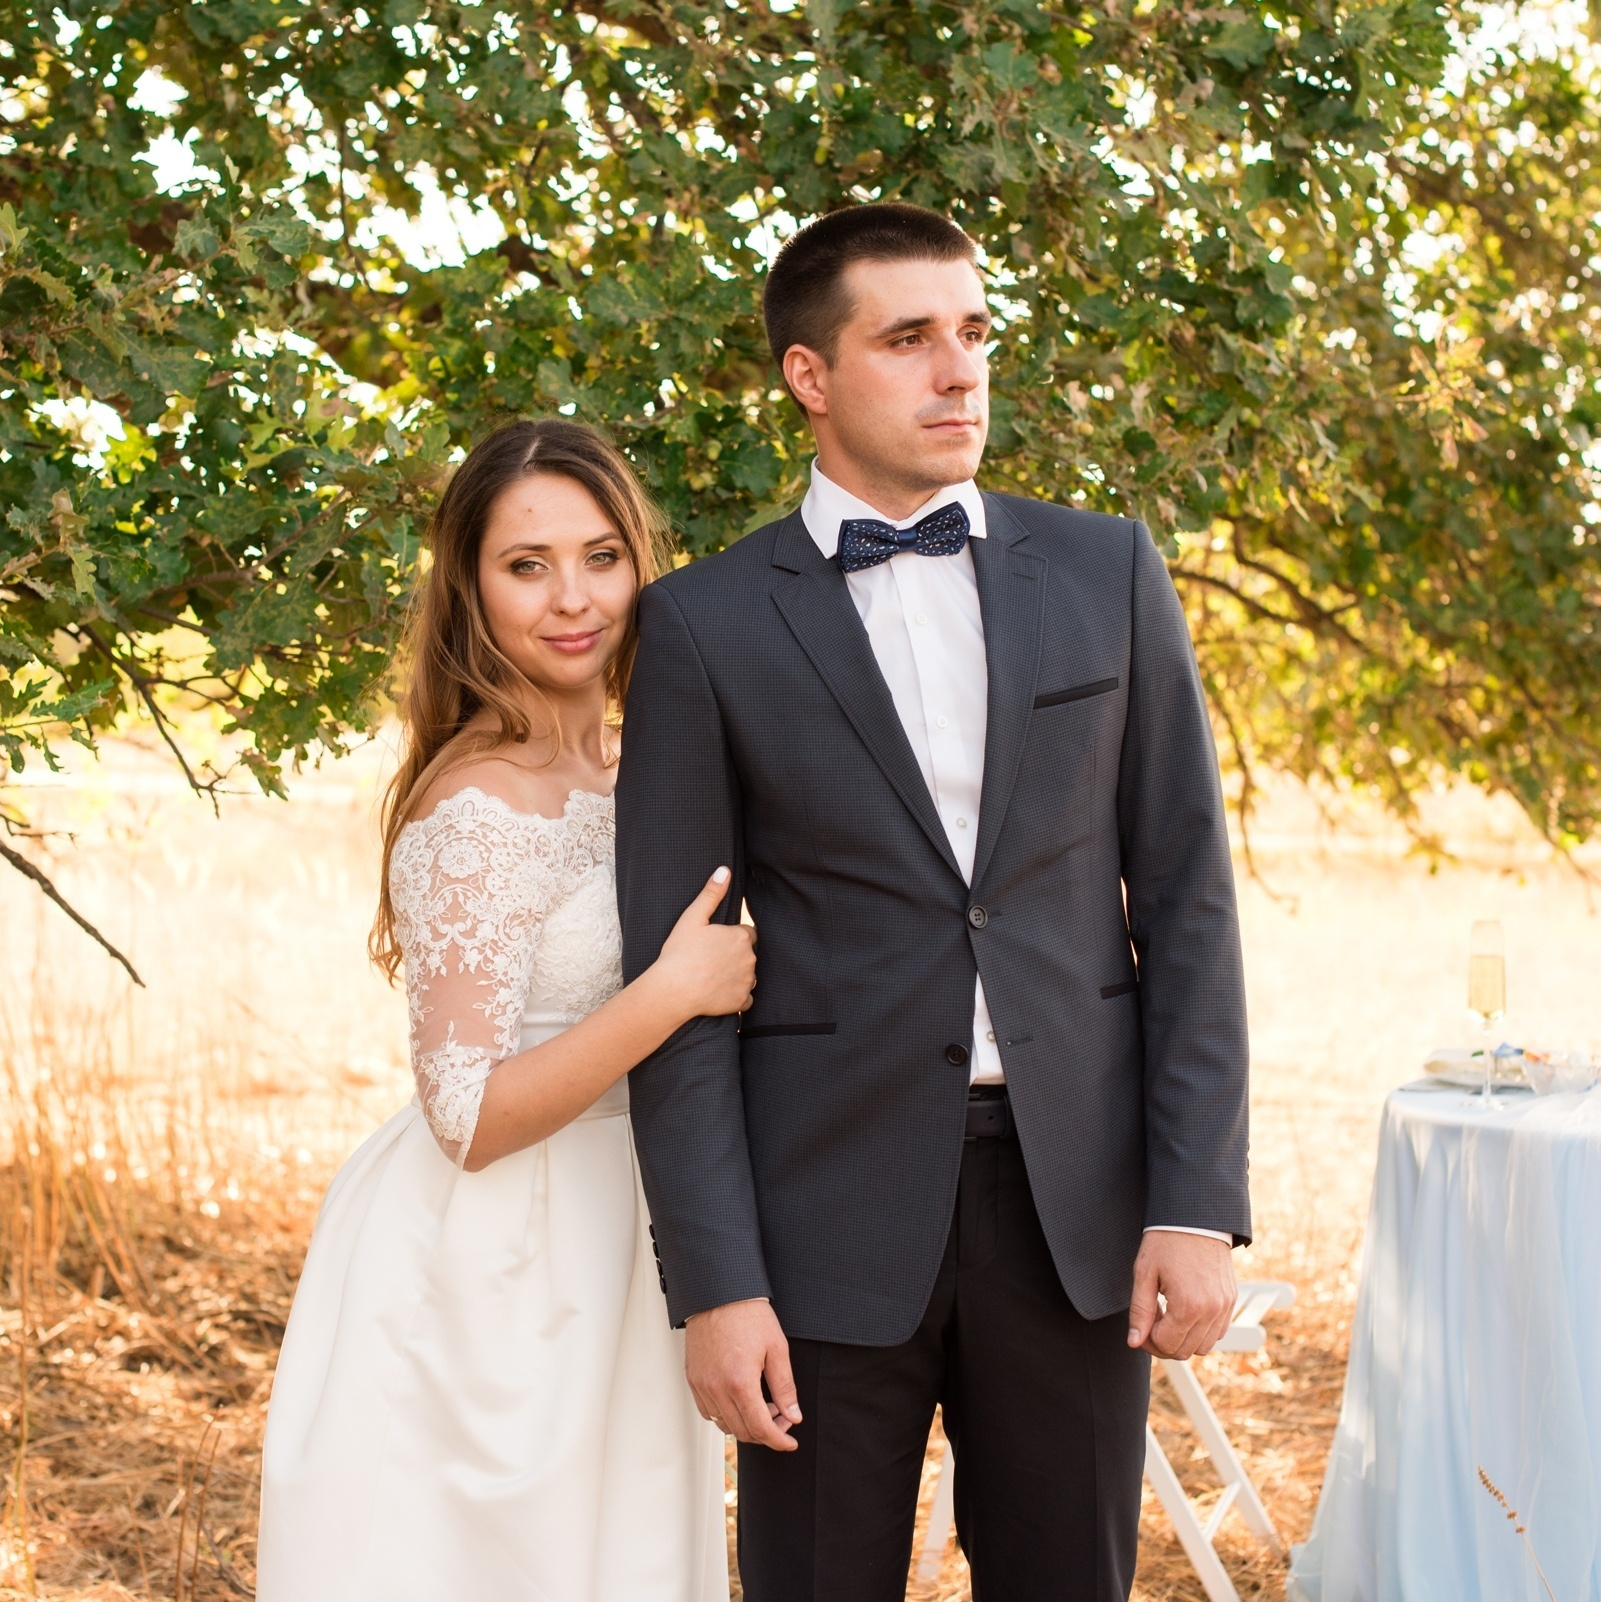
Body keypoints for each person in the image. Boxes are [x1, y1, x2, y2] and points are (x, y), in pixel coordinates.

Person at [618, 202, 1253, 1601]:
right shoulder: (703, 625)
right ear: (809, 376)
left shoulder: (1108, 570)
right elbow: (674, 990)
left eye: (972, 332)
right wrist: (716, 1280)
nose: (958, 370)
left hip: (1074, 1210)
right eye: (907, 340)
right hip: (821, 1218)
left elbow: (1192, 902)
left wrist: (1196, 1199)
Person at [256, 419, 750, 1602]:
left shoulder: (636, 768)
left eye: (601, 556)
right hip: (494, 1263)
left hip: (625, 1233)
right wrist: (670, 993)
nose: (571, 598)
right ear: (471, 589)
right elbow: (465, 1114)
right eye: (526, 565)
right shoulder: (477, 806)